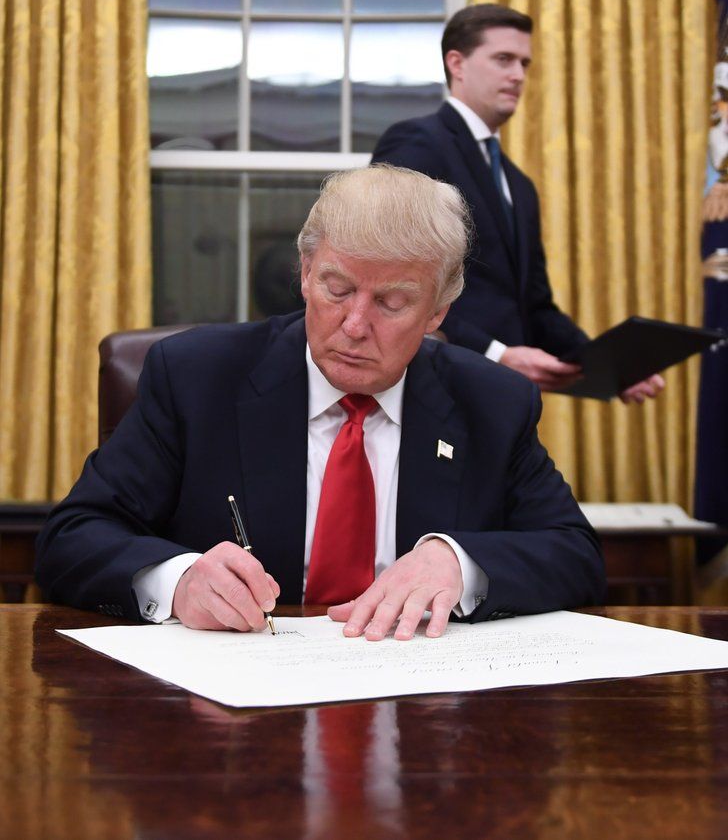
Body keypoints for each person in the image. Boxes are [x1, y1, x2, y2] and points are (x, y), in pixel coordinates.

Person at [36, 166, 605, 640]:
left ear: (437, 311)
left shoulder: (492, 401)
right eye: (338, 289)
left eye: (392, 302)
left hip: (419, 702)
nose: (354, 325)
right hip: (237, 704)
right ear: (306, 274)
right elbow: (72, 538)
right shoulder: (196, 378)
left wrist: (459, 563)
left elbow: (575, 554)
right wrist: (179, 580)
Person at [371, 4, 664, 404]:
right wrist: (497, 355)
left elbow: (535, 307)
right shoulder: (416, 143)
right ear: (457, 64)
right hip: (436, 391)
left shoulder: (519, 185)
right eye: (503, 59)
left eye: (524, 63)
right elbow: (394, 276)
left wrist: (611, 370)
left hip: (505, 405)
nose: (518, 75)